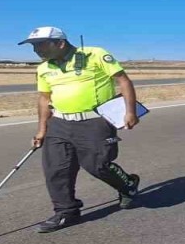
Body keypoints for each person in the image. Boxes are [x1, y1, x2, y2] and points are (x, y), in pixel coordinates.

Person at [20, 26, 143, 233]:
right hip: (59, 123)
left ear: (60, 43)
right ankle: (66, 212)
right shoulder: (43, 69)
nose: (37, 50)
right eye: (33, 46)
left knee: (98, 166)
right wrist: (41, 129)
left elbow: (123, 81)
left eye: (41, 45)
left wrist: (130, 111)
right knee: (56, 169)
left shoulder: (95, 54)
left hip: (94, 122)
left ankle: (128, 184)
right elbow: (44, 99)